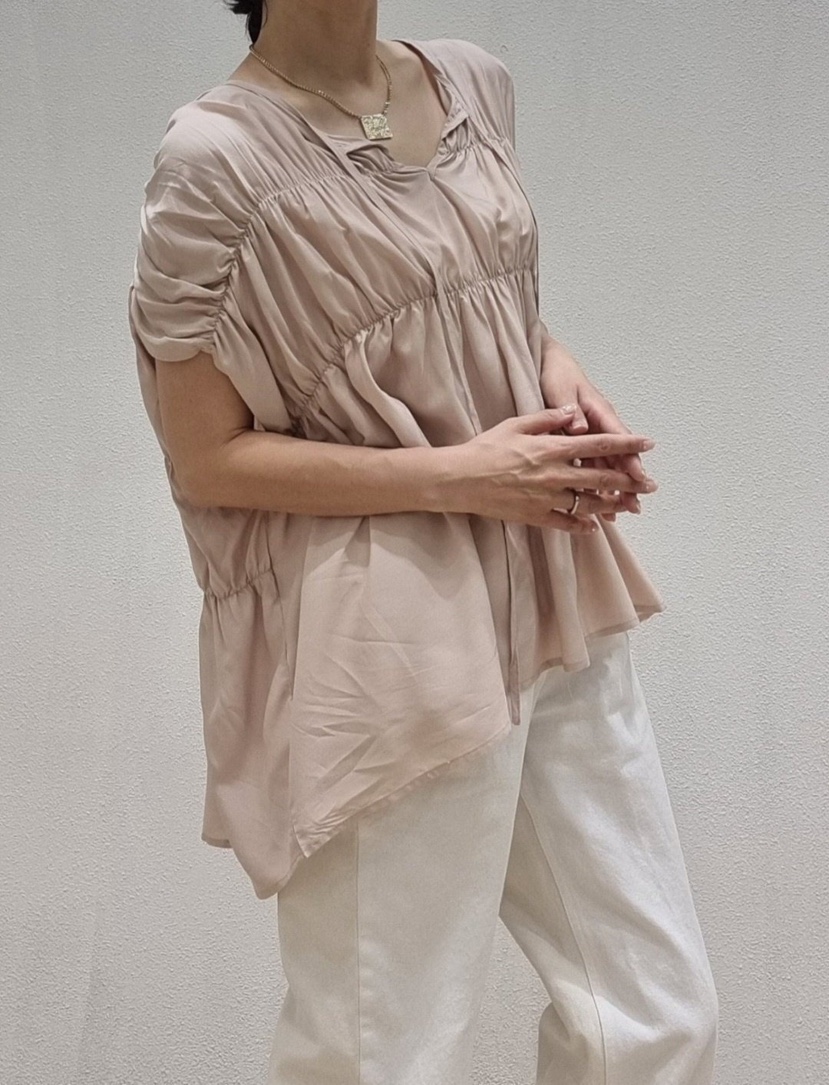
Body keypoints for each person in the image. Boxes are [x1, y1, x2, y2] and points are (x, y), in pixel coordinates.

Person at [127, 1, 719, 1081]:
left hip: (548, 579)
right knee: (381, 1051)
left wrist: (557, 374)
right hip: (383, 625)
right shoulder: (214, 156)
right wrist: (465, 476)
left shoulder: (470, 83)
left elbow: (470, 301)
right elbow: (205, 456)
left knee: (652, 1015)